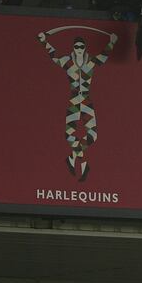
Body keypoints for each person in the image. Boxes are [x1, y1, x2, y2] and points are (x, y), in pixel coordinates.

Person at [37, 30, 118, 182]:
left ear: (85, 48)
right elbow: (54, 56)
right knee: (69, 134)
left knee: (92, 135)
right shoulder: (68, 62)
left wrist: (112, 42)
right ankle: (83, 163)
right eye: (76, 46)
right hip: (74, 100)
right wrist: (43, 41)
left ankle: (73, 158)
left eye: (81, 46)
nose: (79, 49)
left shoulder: (90, 63)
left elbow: (104, 56)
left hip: (86, 100)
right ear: (73, 48)